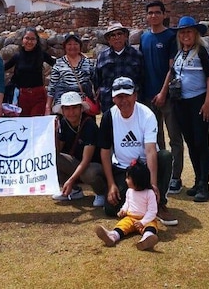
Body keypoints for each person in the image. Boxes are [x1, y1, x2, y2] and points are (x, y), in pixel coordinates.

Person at [99, 76, 177, 226]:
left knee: (165, 156)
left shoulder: (147, 115)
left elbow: (150, 151)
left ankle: (158, 203)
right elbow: (104, 151)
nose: (124, 101)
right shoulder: (109, 116)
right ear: (113, 99)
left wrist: (153, 184)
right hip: (124, 169)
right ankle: (139, 203)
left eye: (127, 96)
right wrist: (111, 185)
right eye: (119, 97)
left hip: (145, 167)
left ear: (135, 95)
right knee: (110, 209)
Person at [159, 15, 209, 202]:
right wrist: (163, 92)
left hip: (198, 102)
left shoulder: (203, 51)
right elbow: (173, 72)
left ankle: (204, 185)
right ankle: (198, 181)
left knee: (201, 142)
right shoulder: (179, 52)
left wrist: (208, 102)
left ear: (196, 33)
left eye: (189, 32)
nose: (185, 35)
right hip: (181, 103)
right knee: (191, 143)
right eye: (182, 32)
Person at [140, 0, 184, 195]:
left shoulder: (170, 37)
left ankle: (176, 177)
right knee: (155, 139)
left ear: (164, 14)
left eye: (157, 12)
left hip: (167, 96)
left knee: (174, 136)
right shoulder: (144, 37)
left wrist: (163, 92)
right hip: (148, 95)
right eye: (150, 13)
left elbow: (172, 67)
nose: (153, 16)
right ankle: (160, 175)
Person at [52, 91, 107, 207]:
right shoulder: (64, 123)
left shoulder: (89, 125)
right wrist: (55, 133)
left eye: (74, 108)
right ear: (62, 110)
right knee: (52, 158)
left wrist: (71, 180)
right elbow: (57, 151)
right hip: (76, 162)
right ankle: (74, 190)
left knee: (89, 172)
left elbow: (86, 160)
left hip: (93, 165)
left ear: (81, 109)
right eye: (67, 109)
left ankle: (101, 192)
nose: (71, 112)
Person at [94, 160, 159, 251]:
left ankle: (147, 239)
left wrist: (143, 222)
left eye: (128, 178)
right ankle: (112, 237)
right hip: (130, 218)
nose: (125, 180)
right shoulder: (129, 191)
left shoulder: (149, 193)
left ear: (137, 180)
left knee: (151, 227)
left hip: (146, 219)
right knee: (122, 226)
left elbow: (152, 211)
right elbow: (127, 203)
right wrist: (123, 210)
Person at [4, 27, 56, 117]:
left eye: (32, 39)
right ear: (22, 40)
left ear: (37, 41)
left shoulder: (41, 54)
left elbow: (57, 65)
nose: (29, 41)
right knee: (24, 123)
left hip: (38, 96)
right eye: (27, 38)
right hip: (22, 97)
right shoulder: (17, 56)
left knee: (36, 123)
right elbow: (2, 68)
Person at [93, 22, 144, 113]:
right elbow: (97, 80)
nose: (116, 37)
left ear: (125, 36)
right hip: (108, 103)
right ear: (108, 40)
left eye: (119, 34)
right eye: (113, 35)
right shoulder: (102, 57)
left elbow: (142, 78)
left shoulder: (136, 55)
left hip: (131, 103)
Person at [46, 33, 95, 115]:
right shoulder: (58, 64)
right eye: (69, 44)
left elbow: (95, 82)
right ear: (65, 46)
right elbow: (52, 87)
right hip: (63, 108)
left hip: (83, 107)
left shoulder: (88, 63)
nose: (72, 47)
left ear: (80, 46)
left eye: (76, 44)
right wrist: (48, 106)